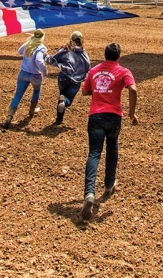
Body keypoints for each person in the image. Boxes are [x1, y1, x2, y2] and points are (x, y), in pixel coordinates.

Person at [80, 42, 138, 221]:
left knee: (94, 153)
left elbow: (85, 92)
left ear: (104, 55)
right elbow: (133, 89)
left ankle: (89, 193)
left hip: (96, 116)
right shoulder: (123, 71)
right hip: (114, 117)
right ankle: (109, 185)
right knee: (112, 149)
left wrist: (99, 92)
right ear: (118, 57)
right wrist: (132, 113)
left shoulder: (94, 71)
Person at [3, 29, 48, 129]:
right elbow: (39, 61)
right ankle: (31, 111)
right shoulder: (41, 48)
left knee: (18, 95)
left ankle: (9, 116)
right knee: (36, 91)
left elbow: (19, 51)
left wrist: (29, 43)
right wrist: (44, 71)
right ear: (42, 37)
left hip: (23, 73)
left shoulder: (29, 44)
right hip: (36, 75)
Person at [44, 31, 91, 125]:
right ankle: (64, 102)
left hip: (63, 78)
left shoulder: (65, 50)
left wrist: (46, 56)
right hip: (75, 81)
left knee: (62, 95)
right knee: (67, 100)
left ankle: (59, 119)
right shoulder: (83, 53)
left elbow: (53, 59)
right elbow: (88, 66)